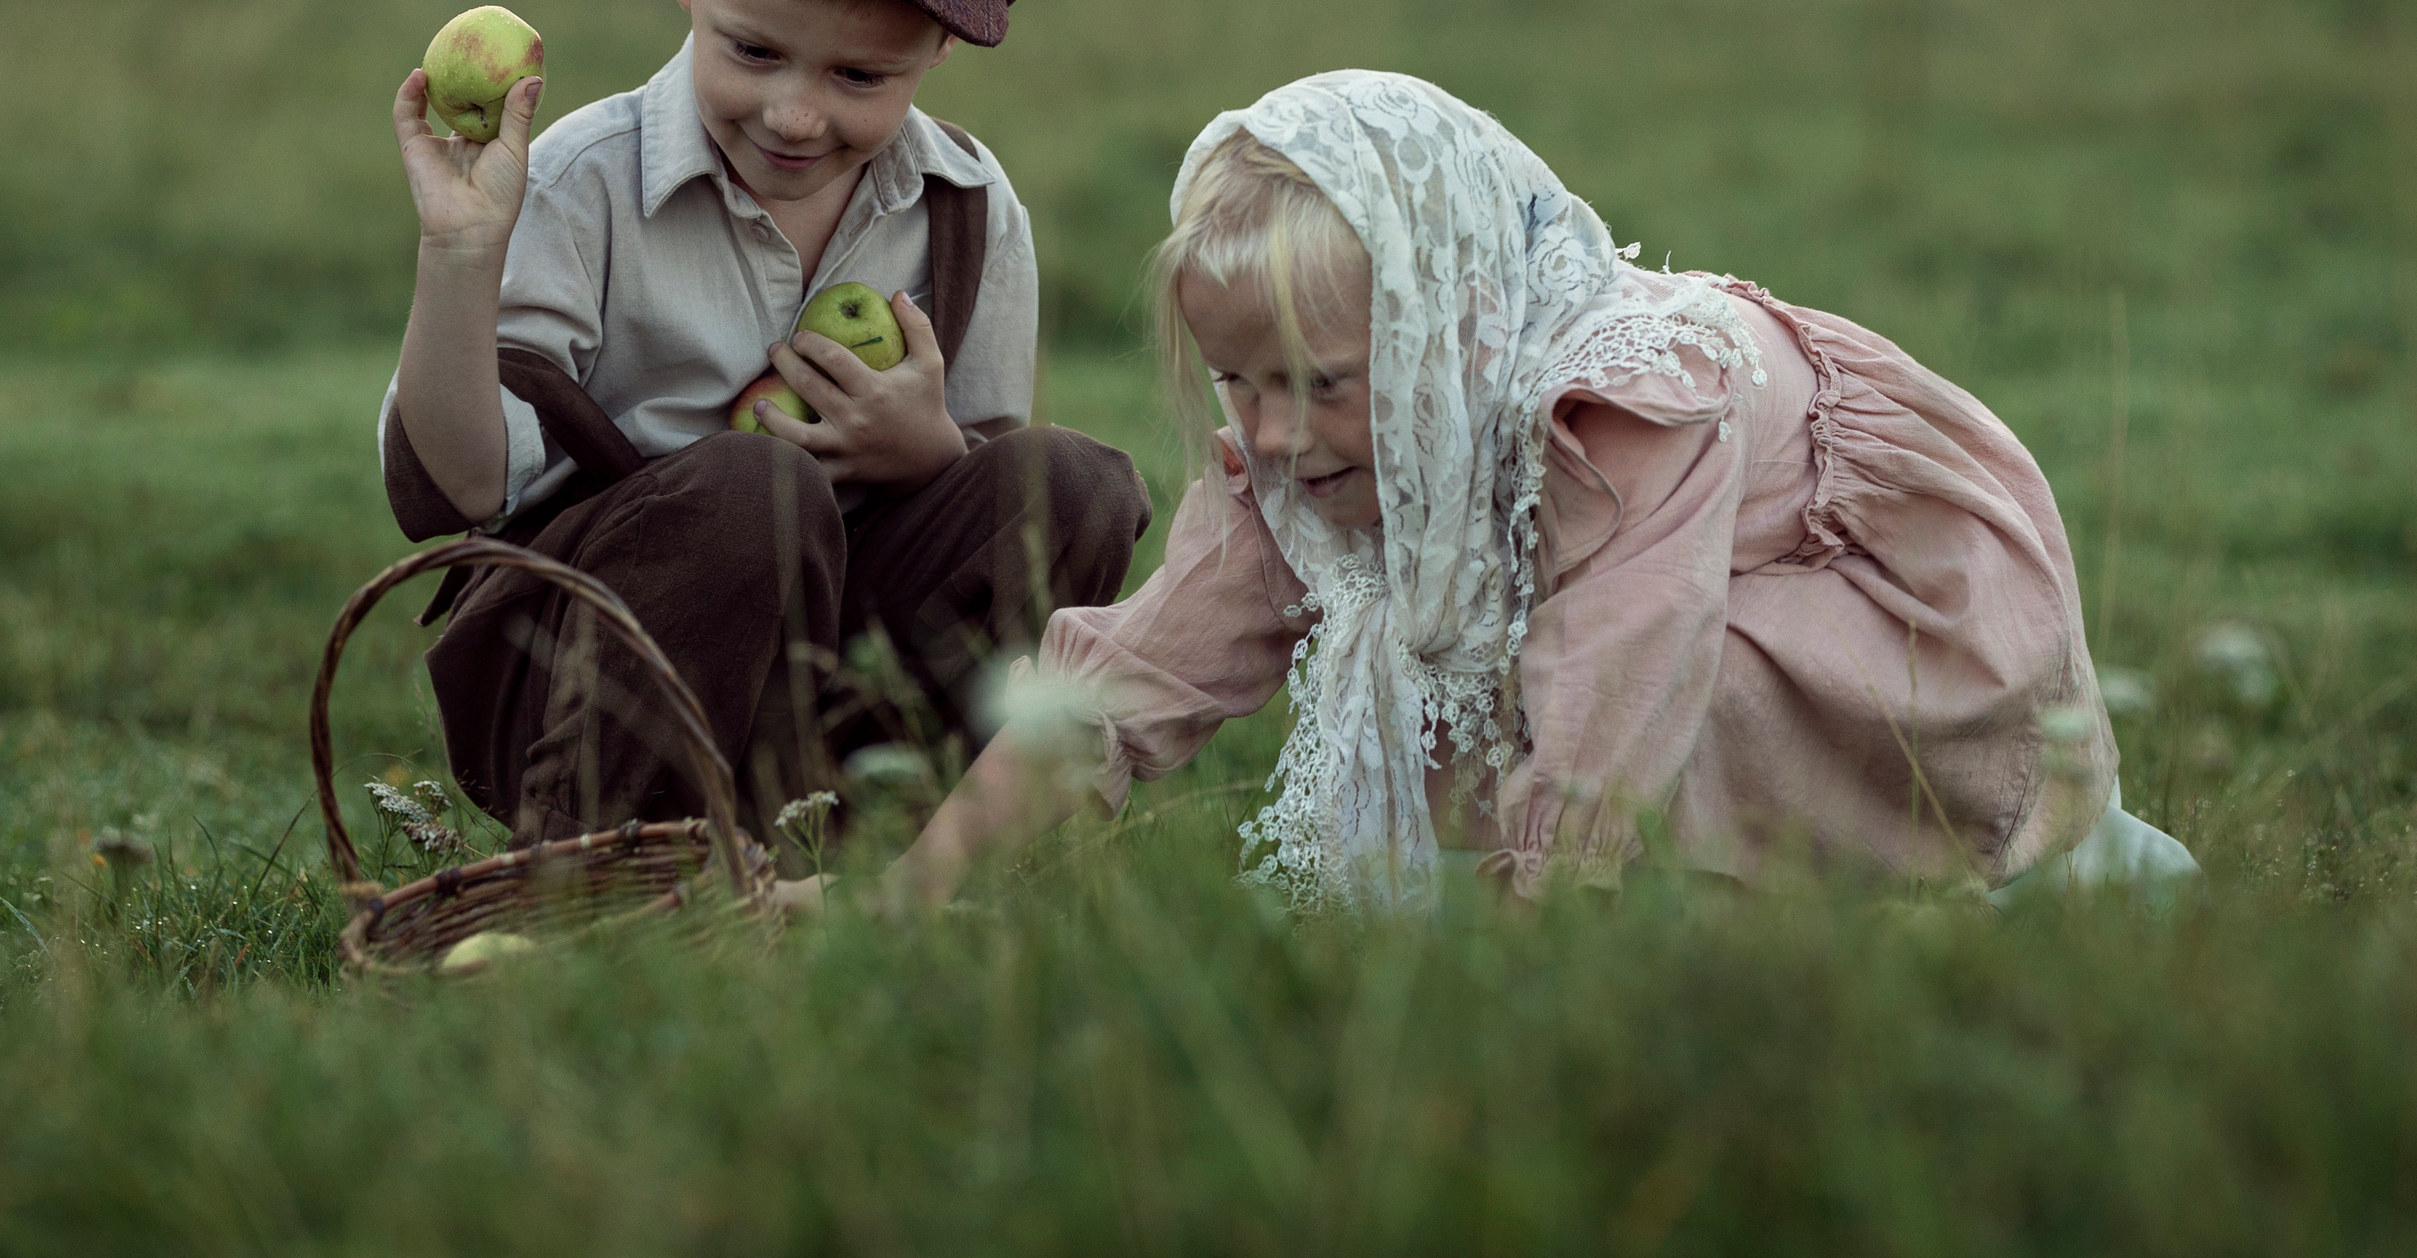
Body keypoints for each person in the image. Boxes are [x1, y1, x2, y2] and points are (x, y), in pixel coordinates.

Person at [850, 69, 2195, 912]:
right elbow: (1128, 678)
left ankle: (2006, 883)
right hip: (1640, 650)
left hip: (1873, 643)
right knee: (1464, 680)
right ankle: (1612, 896)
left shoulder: (1618, 406)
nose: (1277, 432)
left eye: (1326, 382)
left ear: (1447, 338)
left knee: (1598, 685)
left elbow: (1631, 659)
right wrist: (908, 896)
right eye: (1239, 381)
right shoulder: (1287, 453)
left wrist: (1535, 929)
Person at [381, 0, 1152, 847]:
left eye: (858, 76)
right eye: (751, 52)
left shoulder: (965, 205)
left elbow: (984, 508)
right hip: (581, 680)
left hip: (836, 687)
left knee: (1071, 485)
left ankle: (891, 836)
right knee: (752, 489)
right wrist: (459, 255)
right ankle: (602, 869)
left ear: (936, 46)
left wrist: (929, 454)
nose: (795, 115)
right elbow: (458, 490)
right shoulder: (576, 185)